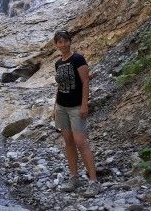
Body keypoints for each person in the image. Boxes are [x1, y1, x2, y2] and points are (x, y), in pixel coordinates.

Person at [51, 30, 100, 197]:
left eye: (65, 41)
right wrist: (54, 107)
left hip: (76, 107)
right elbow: (59, 87)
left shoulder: (78, 59)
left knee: (81, 142)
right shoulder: (58, 63)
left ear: (70, 42)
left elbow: (86, 81)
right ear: (56, 44)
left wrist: (84, 104)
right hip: (62, 108)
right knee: (68, 142)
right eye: (59, 42)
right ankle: (74, 177)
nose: (63, 44)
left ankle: (93, 182)